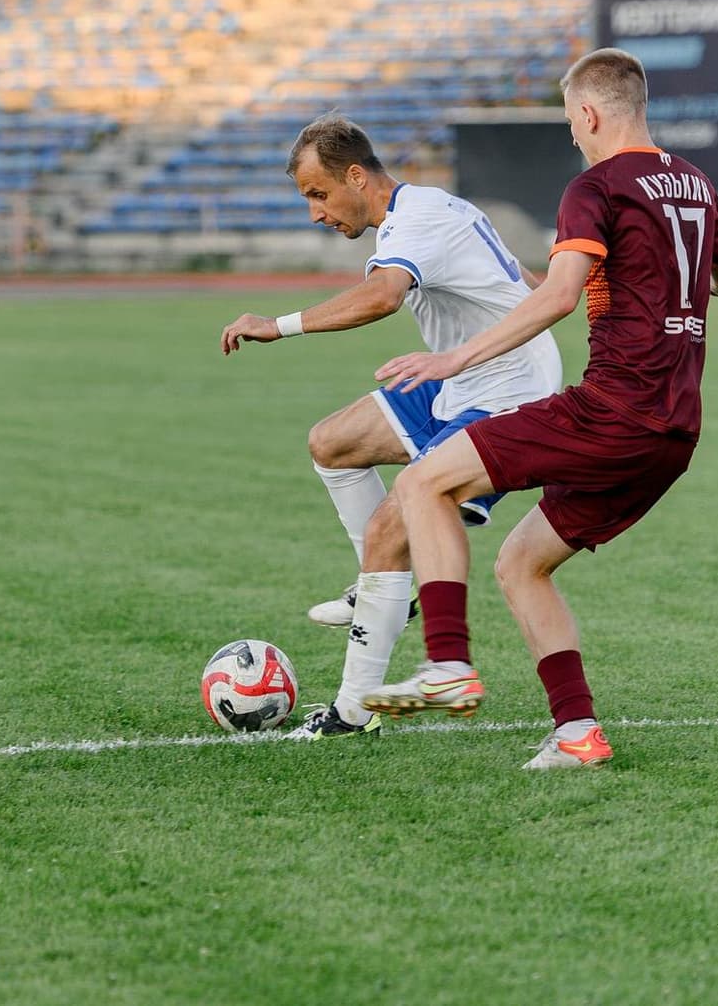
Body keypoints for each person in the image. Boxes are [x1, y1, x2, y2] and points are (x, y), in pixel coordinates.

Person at [360, 49, 718, 770]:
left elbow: (560, 296)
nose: (573, 134)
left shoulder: (594, 186)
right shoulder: (695, 183)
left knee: (421, 483)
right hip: (675, 431)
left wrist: (452, 359)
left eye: (572, 120)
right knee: (521, 563)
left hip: (613, 412)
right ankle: (577, 733)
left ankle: (447, 666)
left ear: (591, 113)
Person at [219, 114, 561, 741]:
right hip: (461, 381)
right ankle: (386, 593)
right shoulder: (424, 210)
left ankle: (353, 713)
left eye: (318, 194)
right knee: (332, 442)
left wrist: (278, 324)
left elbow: (381, 298)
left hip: (509, 396)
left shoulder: (417, 220)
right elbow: (522, 284)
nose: (316, 213)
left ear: (356, 175)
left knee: (389, 530)